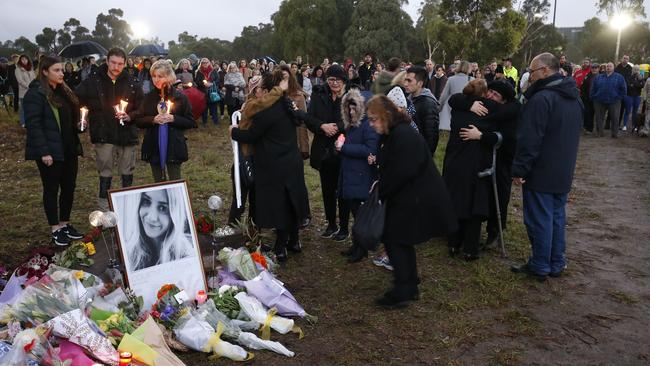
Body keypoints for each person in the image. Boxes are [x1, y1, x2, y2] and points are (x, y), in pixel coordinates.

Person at [366, 95, 456, 308]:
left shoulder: (403, 135)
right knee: (399, 241)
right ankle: (409, 284)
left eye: (374, 119)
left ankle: (404, 290)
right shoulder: (394, 133)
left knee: (396, 240)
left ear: (386, 116)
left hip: (415, 197)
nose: (371, 124)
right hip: (408, 195)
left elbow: (402, 171)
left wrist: (382, 189)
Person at [511, 53, 582, 281]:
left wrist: (520, 169)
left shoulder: (542, 99)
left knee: (539, 219)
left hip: (542, 171)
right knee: (556, 217)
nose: (529, 77)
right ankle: (556, 262)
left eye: (531, 72)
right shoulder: (574, 97)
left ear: (544, 71)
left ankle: (540, 264)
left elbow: (530, 139)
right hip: (563, 169)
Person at [230, 74, 309, 262]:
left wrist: (234, 132)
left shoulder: (266, 112)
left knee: (280, 206)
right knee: (291, 202)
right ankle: (294, 241)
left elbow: (251, 135)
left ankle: (280, 246)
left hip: (274, 165)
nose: (255, 91)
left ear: (265, 91)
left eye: (258, 89)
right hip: (291, 160)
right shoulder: (286, 104)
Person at [24, 55, 85, 246]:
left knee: (69, 187)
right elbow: (34, 125)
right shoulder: (35, 94)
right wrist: (44, 152)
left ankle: (64, 223)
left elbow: (70, 118)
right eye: (56, 70)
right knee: (51, 189)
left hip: (68, 149)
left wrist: (81, 124)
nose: (62, 73)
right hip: (50, 151)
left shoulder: (64, 92)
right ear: (44, 71)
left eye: (61, 70)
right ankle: (55, 228)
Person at [75, 47, 143, 211]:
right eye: (113, 62)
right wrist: (82, 118)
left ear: (125, 64)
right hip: (103, 132)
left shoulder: (132, 82)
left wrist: (131, 116)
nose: (116, 67)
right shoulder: (93, 81)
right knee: (105, 169)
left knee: (127, 168)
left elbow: (141, 107)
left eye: (120, 63)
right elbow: (77, 101)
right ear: (106, 61)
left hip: (127, 133)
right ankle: (104, 206)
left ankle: (127, 203)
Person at [455, 81, 521, 248]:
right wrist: (469, 103)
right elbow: (454, 99)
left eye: (495, 95)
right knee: (483, 193)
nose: (490, 96)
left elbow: (507, 139)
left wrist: (481, 136)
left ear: (504, 99)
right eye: (489, 91)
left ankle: (495, 231)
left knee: (500, 192)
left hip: (503, 158)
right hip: (484, 156)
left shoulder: (511, 110)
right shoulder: (486, 106)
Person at [443, 79, 500, 260]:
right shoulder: (489, 108)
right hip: (476, 163)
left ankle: (453, 244)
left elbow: (453, 99)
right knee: (475, 205)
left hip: (455, 160)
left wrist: (468, 103)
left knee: (455, 201)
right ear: (484, 94)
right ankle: (470, 249)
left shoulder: (459, 106)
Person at [302, 65, 348, 240]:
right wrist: (322, 126)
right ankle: (331, 224)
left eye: (337, 80)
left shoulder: (351, 97)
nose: (334, 83)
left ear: (344, 81)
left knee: (343, 191)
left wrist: (337, 128)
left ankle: (344, 227)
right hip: (323, 150)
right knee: (327, 190)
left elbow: (356, 119)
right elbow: (309, 118)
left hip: (344, 149)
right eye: (331, 80)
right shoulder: (319, 94)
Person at [334, 88, 379, 263]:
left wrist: (344, 148)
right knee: (355, 213)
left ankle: (361, 250)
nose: (351, 112)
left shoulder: (368, 125)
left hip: (361, 176)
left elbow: (369, 149)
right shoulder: (352, 126)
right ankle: (355, 245)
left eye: (354, 109)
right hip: (351, 175)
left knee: (360, 216)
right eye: (348, 108)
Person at [134, 60, 196, 182]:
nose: (156, 80)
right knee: (158, 181)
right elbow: (139, 120)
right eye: (154, 76)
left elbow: (191, 121)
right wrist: (153, 119)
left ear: (169, 76)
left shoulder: (180, 97)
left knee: (175, 180)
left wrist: (174, 118)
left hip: (174, 144)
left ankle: (175, 200)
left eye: (160, 76)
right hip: (154, 144)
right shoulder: (148, 98)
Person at [120, 187, 194, 271]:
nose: (152, 218)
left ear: (175, 215)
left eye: (163, 208)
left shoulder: (187, 257)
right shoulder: (127, 252)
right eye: (146, 201)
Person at [404, 66, 439, 156]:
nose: (405, 84)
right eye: (405, 80)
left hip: (419, 154)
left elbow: (431, 136)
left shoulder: (428, 103)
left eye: (409, 81)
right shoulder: (409, 99)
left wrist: (425, 158)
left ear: (420, 83)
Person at [590, 62, 626, 138]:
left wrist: (619, 97)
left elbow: (624, 89)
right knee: (599, 118)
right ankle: (600, 132)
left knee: (615, 118)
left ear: (614, 68)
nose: (608, 67)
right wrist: (593, 97)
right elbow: (593, 88)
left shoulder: (619, 77)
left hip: (614, 101)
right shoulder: (599, 77)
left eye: (610, 66)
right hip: (599, 100)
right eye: (607, 66)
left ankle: (614, 134)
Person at [439, 61, 473, 131]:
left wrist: (439, 107)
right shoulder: (472, 80)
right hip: (467, 108)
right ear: (468, 68)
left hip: (452, 108)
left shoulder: (451, 79)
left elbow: (444, 95)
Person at [195, 58, 220, 125]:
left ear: (209, 63)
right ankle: (204, 122)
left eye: (206, 62)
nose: (205, 64)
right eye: (203, 62)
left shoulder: (213, 70)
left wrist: (211, 83)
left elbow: (218, 80)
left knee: (214, 107)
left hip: (212, 91)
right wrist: (204, 84)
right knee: (204, 107)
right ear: (201, 64)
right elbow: (197, 81)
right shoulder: (199, 71)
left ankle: (216, 122)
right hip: (203, 91)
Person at [622, 65, 644, 132]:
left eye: (637, 69)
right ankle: (624, 125)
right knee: (627, 111)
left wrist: (635, 84)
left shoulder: (640, 77)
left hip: (637, 96)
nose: (636, 70)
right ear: (632, 69)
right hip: (629, 96)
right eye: (635, 69)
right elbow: (628, 85)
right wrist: (637, 84)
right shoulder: (629, 76)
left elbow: (642, 85)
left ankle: (634, 126)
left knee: (635, 111)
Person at [16, 54, 35, 127]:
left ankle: (30, 121)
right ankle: (23, 122)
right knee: (23, 108)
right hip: (23, 92)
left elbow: (34, 78)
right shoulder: (18, 69)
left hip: (32, 91)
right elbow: (20, 81)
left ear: (28, 60)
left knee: (31, 107)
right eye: (22, 59)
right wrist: (29, 86)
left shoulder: (31, 68)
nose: (24, 60)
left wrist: (34, 86)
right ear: (20, 60)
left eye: (26, 59)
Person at [580, 63, 599, 134]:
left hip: (597, 99)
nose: (594, 69)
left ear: (598, 69)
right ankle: (588, 128)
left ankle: (598, 129)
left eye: (595, 68)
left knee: (598, 115)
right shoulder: (587, 76)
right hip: (587, 98)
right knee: (588, 113)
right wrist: (584, 96)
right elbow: (583, 86)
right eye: (593, 68)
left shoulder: (601, 77)